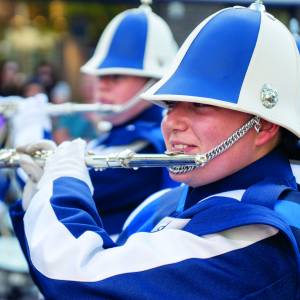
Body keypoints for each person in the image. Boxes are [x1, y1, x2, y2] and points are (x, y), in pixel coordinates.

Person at [9, 1, 300, 299]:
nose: (171, 122)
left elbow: (73, 274)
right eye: (170, 105)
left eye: (199, 105)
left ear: (264, 127)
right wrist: (37, 192)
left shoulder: (259, 236)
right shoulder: (166, 201)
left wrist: (63, 183)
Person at [78, 1, 179, 234]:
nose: (101, 85)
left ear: (154, 81)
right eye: (100, 75)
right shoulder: (115, 134)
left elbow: (64, 197)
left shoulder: (150, 145)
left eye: (115, 76)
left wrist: (33, 135)